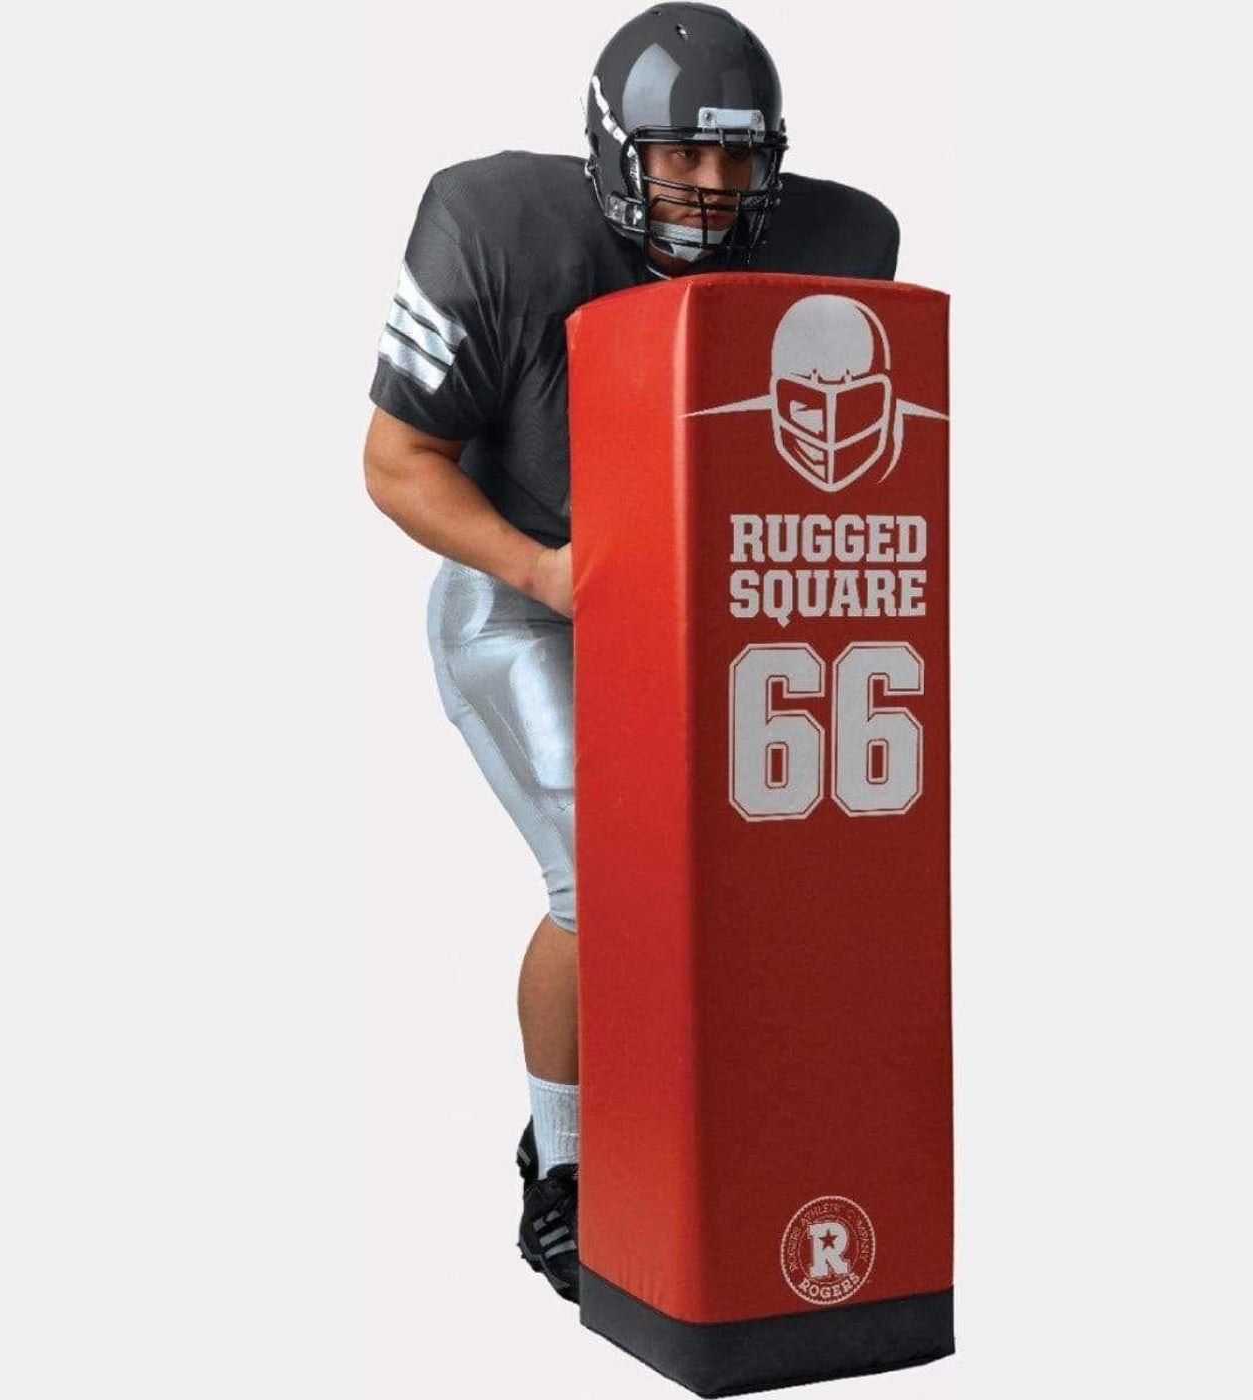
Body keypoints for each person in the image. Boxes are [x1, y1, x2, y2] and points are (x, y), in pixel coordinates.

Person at [362, 2, 900, 1306]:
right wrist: (548, 570)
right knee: (605, 878)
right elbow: (395, 462)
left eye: (737, 158)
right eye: (680, 155)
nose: (711, 188)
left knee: (773, 872)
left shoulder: (844, 238)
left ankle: (705, 1126)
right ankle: (561, 1163)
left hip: (718, 604)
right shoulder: (499, 226)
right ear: (614, 147)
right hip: (532, 592)